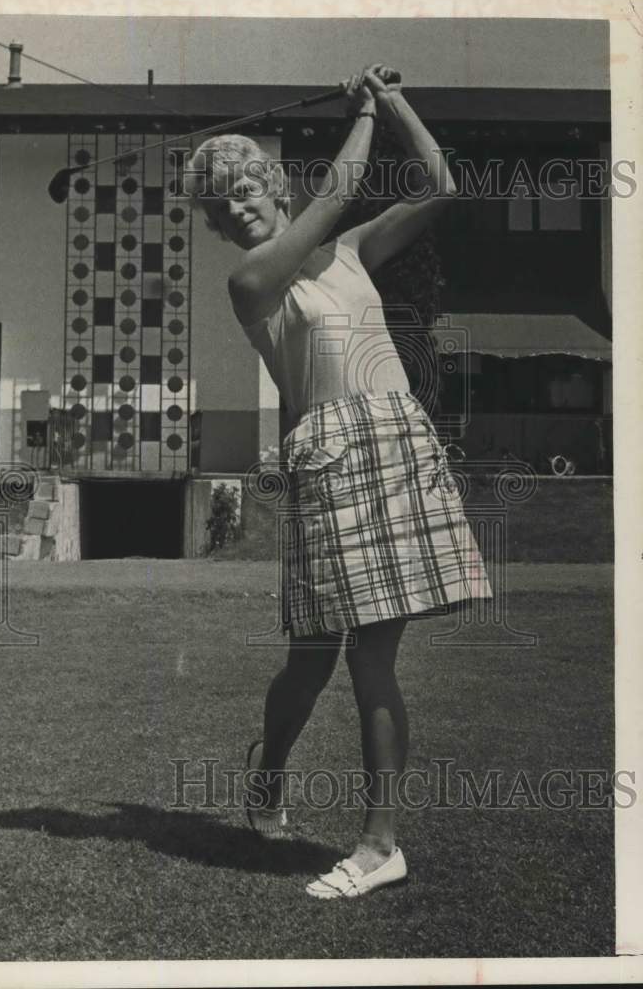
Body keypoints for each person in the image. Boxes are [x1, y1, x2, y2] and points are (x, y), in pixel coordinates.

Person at [185, 66, 492, 899]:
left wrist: (394, 100)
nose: (240, 205)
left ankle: (378, 844)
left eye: (247, 186)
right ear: (220, 225)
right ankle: (270, 773)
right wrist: (361, 111)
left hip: (394, 440)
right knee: (311, 659)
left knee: (371, 657)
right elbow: (343, 185)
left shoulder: (350, 250)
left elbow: (441, 184)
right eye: (224, 204)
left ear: (271, 184)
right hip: (327, 454)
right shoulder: (253, 281)